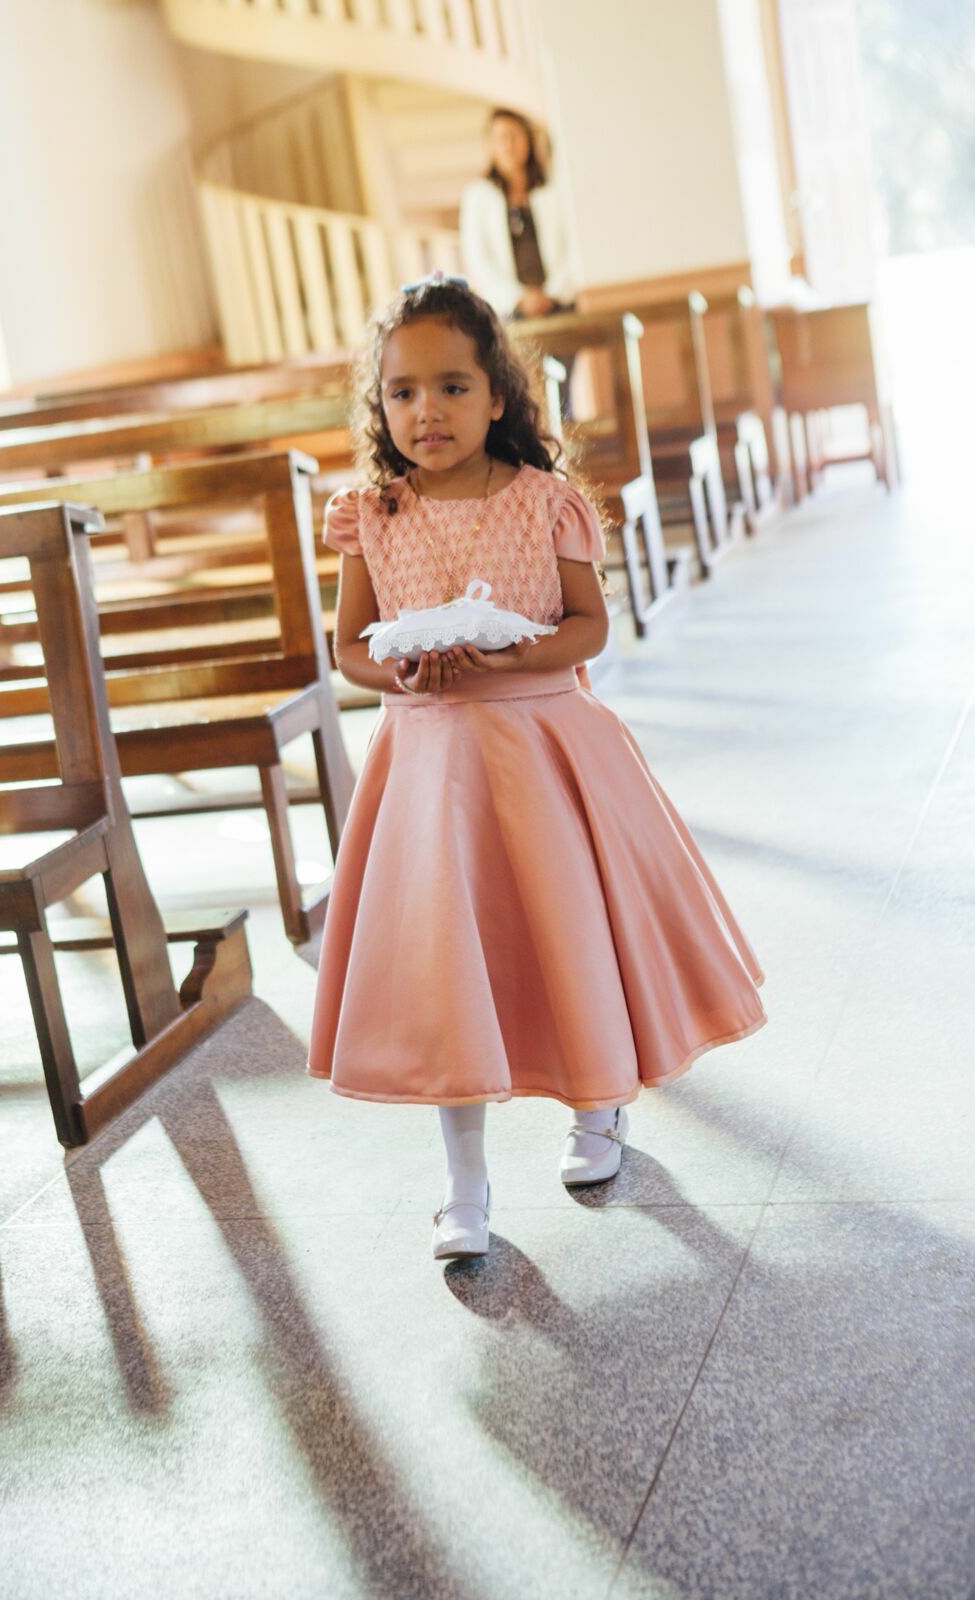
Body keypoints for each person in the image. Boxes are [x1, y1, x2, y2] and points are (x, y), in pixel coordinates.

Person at [308, 275, 766, 1262]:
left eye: (451, 387)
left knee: (568, 935)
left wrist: (513, 655)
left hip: (541, 747)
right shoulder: (370, 514)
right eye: (401, 393)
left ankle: (596, 1111)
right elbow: (346, 646)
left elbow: (586, 625)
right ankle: (462, 1182)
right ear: (377, 407)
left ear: (497, 394)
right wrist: (395, 663)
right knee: (446, 964)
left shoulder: (545, 502)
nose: (425, 411)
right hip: (429, 765)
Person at [460, 107, 576, 321]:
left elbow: (572, 247)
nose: (508, 145)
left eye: (514, 136)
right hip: (509, 311)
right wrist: (521, 298)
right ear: (490, 146)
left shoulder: (553, 193)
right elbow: (478, 258)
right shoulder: (478, 197)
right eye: (501, 138)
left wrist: (549, 295)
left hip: (559, 304)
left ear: (528, 141)